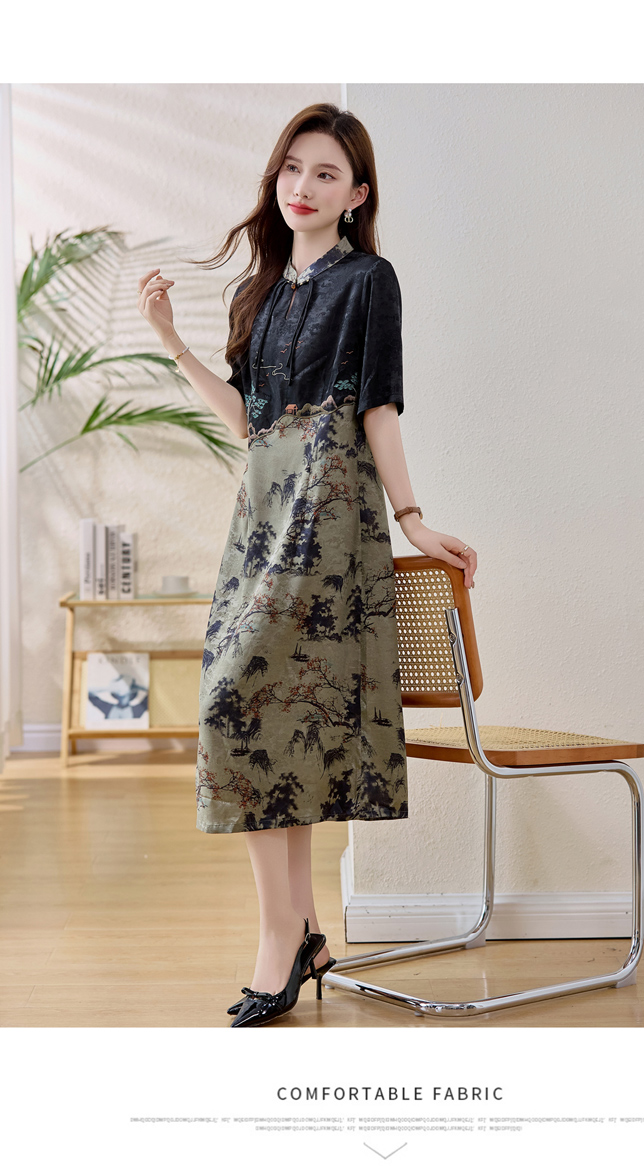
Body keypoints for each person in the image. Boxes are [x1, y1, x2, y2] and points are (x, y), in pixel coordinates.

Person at [137, 103, 478, 1028]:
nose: (303, 186)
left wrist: (412, 519)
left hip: (326, 525)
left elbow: (378, 410)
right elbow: (248, 423)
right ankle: (305, 935)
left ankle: (277, 940)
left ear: (356, 195)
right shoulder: (260, 293)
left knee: (241, 703)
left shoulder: (369, 281)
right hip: (258, 520)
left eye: (326, 173)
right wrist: (171, 338)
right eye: (293, 167)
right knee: (265, 720)